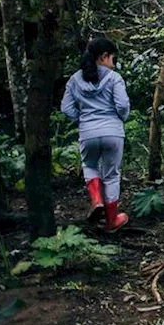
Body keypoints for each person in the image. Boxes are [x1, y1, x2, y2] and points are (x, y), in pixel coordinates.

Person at [61, 37, 131, 232]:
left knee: (89, 166)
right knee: (111, 175)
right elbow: (123, 105)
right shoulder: (114, 78)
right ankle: (111, 221)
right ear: (103, 57)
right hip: (113, 132)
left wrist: (83, 119)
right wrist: (119, 118)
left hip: (87, 132)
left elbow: (66, 108)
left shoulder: (75, 79)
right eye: (112, 59)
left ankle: (96, 200)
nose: (113, 63)